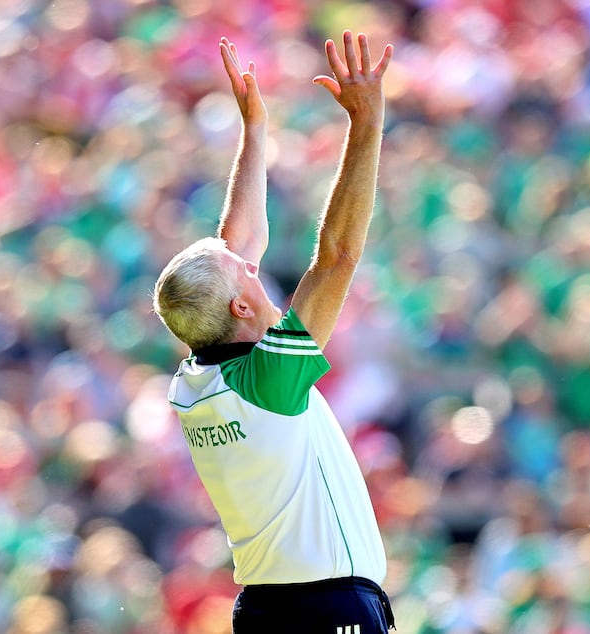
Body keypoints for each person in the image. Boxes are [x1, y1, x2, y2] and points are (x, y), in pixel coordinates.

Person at [153, 30, 395, 633]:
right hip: (330, 607)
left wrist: (255, 129)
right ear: (238, 308)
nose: (253, 264)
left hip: (263, 610)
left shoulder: (193, 381)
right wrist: (367, 126)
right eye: (246, 274)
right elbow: (337, 256)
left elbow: (232, 249)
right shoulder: (269, 379)